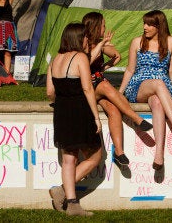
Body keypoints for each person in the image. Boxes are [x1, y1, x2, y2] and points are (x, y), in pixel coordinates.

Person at [119, 10, 172, 171]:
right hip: (139, 84)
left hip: (162, 87)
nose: (145, 27)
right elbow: (130, 70)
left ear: (159, 26)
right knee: (158, 83)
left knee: (158, 102)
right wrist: (120, 91)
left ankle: (159, 154)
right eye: (144, 23)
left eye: (149, 24)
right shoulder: (137, 42)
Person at [82, 12, 154, 167]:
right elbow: (86, 62)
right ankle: (136, 118)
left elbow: (117, 57)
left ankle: (119, 153)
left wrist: (104, 64)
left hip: (98, 86)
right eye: (103, 25)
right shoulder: (83, 43)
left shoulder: (99, 44)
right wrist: (101, 46)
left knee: (113, 109)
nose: (105, 28)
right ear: (95, 27)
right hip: (86, 89)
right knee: (105, 85)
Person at [46, 23, 102, 216]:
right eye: (86, 37)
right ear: (79, 38)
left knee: (69, 159)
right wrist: (96, 117)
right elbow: (87, 89)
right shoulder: (80, 58)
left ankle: (71, 202)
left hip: (61, 111)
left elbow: (50, 92)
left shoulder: (55, 60)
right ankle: (63, 192)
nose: (88, 40)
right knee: (95, 156)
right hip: (80, 111)